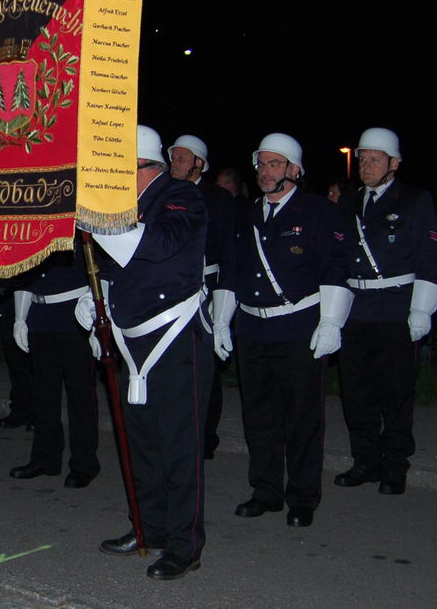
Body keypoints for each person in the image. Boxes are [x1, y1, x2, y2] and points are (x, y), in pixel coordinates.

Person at [76, 125, 212, 581]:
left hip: (175, 338)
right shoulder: (124, 205)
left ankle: (184, 545)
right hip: (131, 336)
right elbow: (114, 266)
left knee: (179, 447)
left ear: (143, 166)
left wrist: (96, 220)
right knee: (142, 445)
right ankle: (149, 526)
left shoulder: (181, 195)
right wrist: (95, 301)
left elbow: (156, 245)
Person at [212, 133, 351, 528]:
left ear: (294, 170)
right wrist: (221, 321)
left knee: (302, 417)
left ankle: (302, 497)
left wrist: (331, 322)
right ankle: (266, 490)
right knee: (259, 415)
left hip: (298, 326)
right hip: (253, 328)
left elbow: (335, 267)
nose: (265, 172)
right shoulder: (246, 214)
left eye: (274, 164)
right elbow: (230, 269)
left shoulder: (317, 211)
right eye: (262, 165)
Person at [335, 128, 437, 495]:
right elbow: (338, 259)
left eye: (374, 159)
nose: (366, 165)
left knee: (395, 393)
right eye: (362, 159)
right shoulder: (348, 203)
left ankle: (395, 464)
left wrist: (421, 310)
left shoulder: (415, 200)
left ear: (394, 163)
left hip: (396, 307)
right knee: (356, 391)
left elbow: (429, 257)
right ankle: (365, 460)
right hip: (355, 309)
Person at [9, 240, 99, 488]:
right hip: (40, 318)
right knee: (44, 395)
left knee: (80, 396)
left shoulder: (80, 231)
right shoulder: (34, 230)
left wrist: (96, 318)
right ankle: (45, 457)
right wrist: (20, 318)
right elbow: (23, 274)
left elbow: (98, 273)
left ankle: (84, 463)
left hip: (75, 317)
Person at [167, 134, 236, 458]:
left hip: (205, 287)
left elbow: (227, 248)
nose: (174, 163)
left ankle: (205, 436)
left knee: (205, 364)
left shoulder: (218, 199)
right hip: (171, 287)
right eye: (173, 157)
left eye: (181, 158)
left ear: (198, 163)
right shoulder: (164, 194)